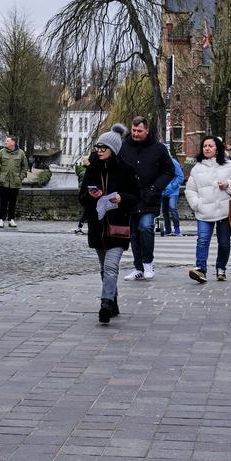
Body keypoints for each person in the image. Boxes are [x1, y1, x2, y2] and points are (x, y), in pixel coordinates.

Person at [80, 124, 139, 324]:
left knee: (111, 265)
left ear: (113, 150)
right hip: (97, 227)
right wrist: (90, 196)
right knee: (104, 268)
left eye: (103, 148)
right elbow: (81, 198)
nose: (99, 150)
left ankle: (105, 304)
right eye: (98, 147)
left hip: (117, 226)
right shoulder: (92, 170)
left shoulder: (126, 171)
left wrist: (121, 199)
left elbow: (135, 197)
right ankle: (113, 301)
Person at [184, 135, 231, 283]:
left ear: (217, 149)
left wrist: (228, 185)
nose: (207, 148)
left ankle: (221, 269)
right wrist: (196, 204)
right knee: (203, 240)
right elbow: (190, 190)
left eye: (210, 146)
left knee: (224, 242)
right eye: (205, 146)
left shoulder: (230, 166)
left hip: (225, 211)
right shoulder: (197, 168)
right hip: (204, 211)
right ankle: (200, 270)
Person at [119, 116, 175, 281]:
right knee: (134, 233)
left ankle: (148, 264)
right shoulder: (124, 147)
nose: (136, 134)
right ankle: (138, 267)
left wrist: (156, 187)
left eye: (139, 131)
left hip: (150, 196)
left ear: (147, 130)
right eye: (134, 130)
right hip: (131, 197)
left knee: (145, 227)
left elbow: (169, 171)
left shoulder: (158, 149)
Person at [0, 136, 29, 228]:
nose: (6, 142)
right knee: (3, 202)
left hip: (15, 182)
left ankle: (11, 219)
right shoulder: (2, 152)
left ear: (13, 142)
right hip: (4, 181)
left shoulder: (21, 153)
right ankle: (1, 220)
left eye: (7, 141)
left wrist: (20, 177)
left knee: (13, 202)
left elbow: (25, 167)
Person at [161, 152, 185, 236]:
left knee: (172, 208)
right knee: (164, 211)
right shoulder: (159, 162)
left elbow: (180, 176)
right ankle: (168, 230)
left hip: (173, 191)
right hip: (163, 191)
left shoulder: (174, 162)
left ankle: (177, 229)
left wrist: (172, 186)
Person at [74, 155, 90, 233]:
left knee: (86, 212)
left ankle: (79, 227)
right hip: (86, 195)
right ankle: (79, 228)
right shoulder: (85, 172)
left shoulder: (83, 170)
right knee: (86, 212)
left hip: (84, 194)